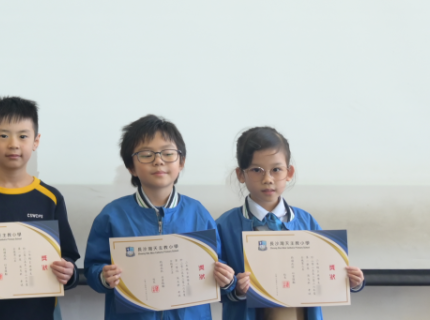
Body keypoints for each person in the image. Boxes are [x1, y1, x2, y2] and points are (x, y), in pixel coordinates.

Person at [84, 114, 235, 320]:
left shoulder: (198, 212)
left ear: (181, 162)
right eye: (146, 155)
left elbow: (218, 263)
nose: (158, 160)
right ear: (131, 167)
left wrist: (227, 280)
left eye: (168, 153)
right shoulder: (112, 214)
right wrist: (103, 276)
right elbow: (93, 268)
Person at [0, 96, 80, 320]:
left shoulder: (50, 198)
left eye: (23, 136)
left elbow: (68, 257)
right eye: (3, 135)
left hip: (40, 313)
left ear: (36, 141)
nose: (13, 144)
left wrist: (68, 271)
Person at [215, 126, 364, 319]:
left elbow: (324, 273)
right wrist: (235, 288)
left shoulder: (306, 221)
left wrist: (352, 282)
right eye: (257, 170)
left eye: (276, 170)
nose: (268, 179)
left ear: (289, 172)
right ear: (241, 174)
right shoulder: (224, 226)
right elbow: (212, 286)